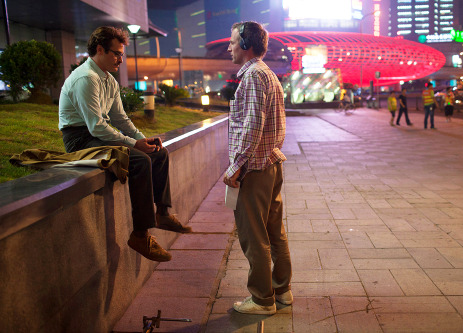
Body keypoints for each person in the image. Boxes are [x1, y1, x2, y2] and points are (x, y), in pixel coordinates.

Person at [58, 27, 192, 263]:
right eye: (116, 53)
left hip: (95, 135)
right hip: (80, 140)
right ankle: (140, 235)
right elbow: (96, 127)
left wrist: (143, 140)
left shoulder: (108, 79)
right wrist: (135, 145)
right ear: (99, 50)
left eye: (122, 54)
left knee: (158, 153)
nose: (121, 59)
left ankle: (162, 213)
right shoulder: (86, 78)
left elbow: (120, 119)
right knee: (139, 160)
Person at [224, 21, 292, 315]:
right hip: (271, 163)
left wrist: (236, 167)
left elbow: (252, 126)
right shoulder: (268, 74)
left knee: (254, 236)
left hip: (255, 168)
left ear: (246, 43)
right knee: (275, 232)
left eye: (232, 42)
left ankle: (262, 299)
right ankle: (282, 290)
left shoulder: (252, 76)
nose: (229, 47)